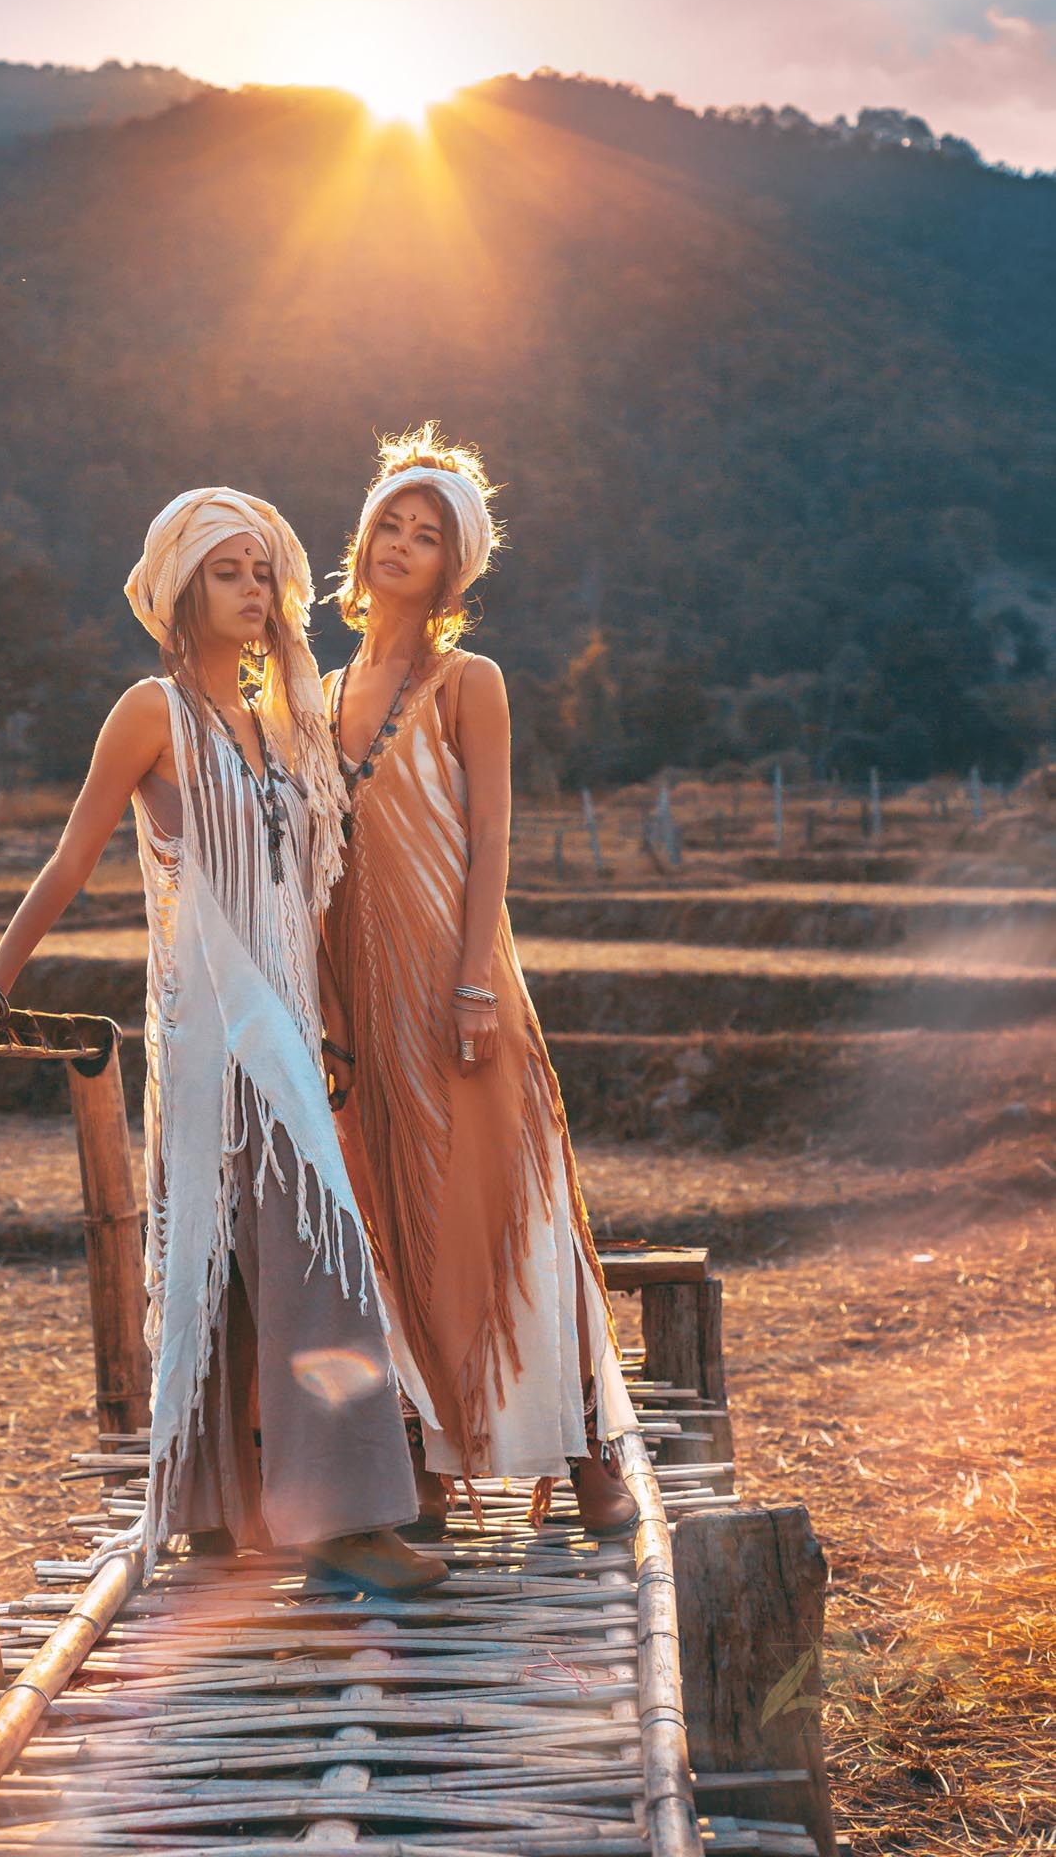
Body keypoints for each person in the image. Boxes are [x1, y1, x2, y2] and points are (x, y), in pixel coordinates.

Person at [0, 487, 447, 1593]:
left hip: (282, 1022)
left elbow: (297, 892)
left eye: (264, 570)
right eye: (229, 571)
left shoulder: (278, 725)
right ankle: (341, 1520)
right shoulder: (149, 711)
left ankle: (227, 1509)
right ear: (181, 590)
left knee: (253, 1258)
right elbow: (72, 859)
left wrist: (334, 1024)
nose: (255, 589)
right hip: (213, 1025)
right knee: (315, 1252)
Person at [322, 426, 640, 1536]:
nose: (403, 545)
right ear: (360, 545)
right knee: (388, 1216)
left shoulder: (471, 680)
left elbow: (493, 839)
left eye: (428, 534)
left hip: (460, 984)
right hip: (358, 991)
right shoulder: (318, 694)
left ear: (458, 566)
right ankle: (421, 1453)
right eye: (390, 526)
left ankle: (591, 1440)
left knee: (511, 1200)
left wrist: (471, 985)